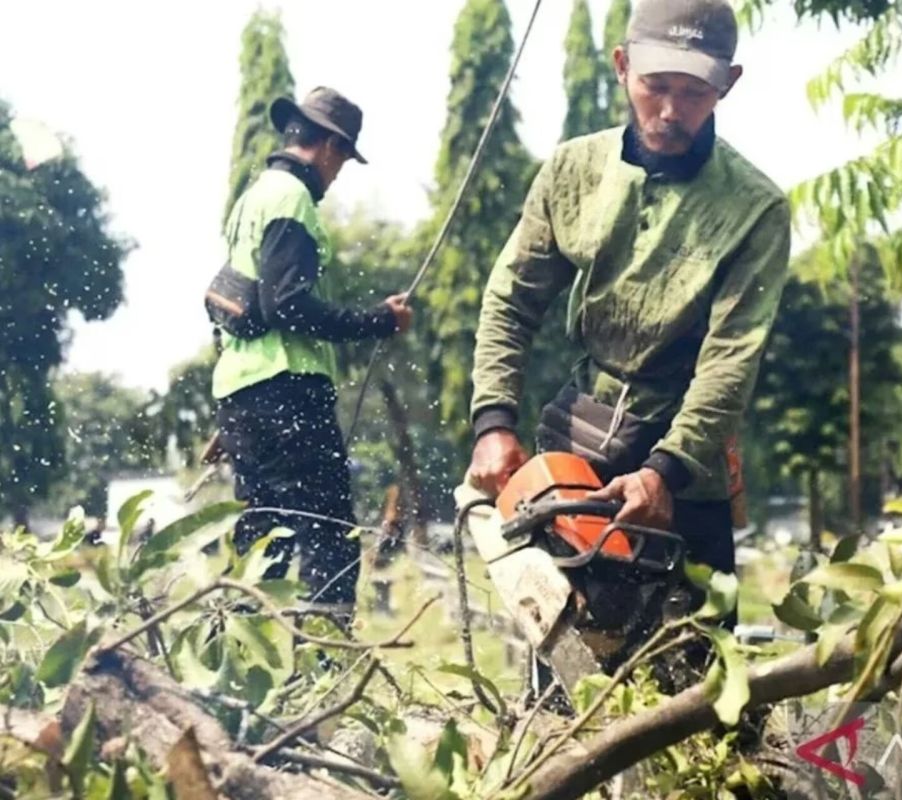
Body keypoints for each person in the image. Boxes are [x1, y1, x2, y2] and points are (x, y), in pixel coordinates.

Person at [467, 0, 790, 607]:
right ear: (621, 66)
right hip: (578, 437)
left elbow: (731, 360)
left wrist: (664, 472)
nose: (670, 111)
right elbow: (511, 301)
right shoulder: (572, 169)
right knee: (566, 654)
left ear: (728, 84)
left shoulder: (758, 209)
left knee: (694, 669)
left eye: (693, 93)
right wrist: (493, 422)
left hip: (686, 459)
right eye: (655, 86)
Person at [210, 87, 413, 607]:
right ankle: (327, 673)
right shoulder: (292, 201)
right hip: (288, 397)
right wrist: (377, 321)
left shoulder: (253, 197)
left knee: (260, 548)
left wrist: (235, 418)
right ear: (329, 146)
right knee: (330, 540)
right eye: (342, 160)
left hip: (243, 396)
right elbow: (288, 306)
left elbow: (240, 303)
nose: (338, 172)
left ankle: (230, 675)